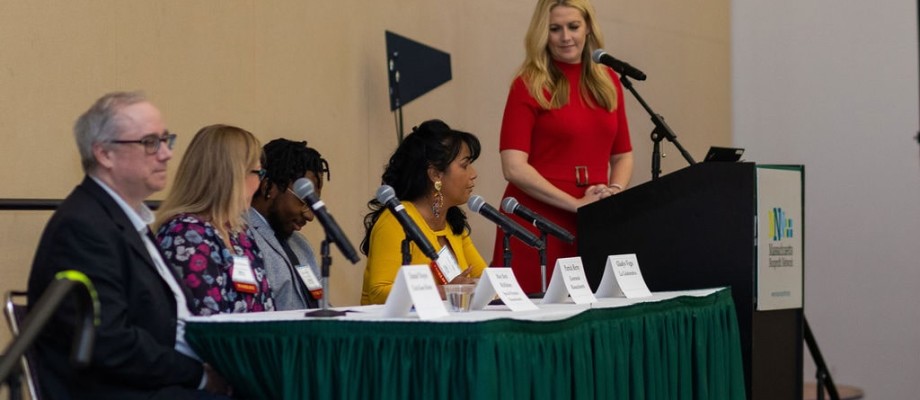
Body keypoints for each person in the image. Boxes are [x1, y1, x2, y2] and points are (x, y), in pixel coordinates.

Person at [27, 91, 230, 399]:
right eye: (150, 142)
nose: (166, 154)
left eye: (166, 140)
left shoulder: (125, 220)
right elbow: (109, 342)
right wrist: (199, 376)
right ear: (104, 154)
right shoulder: (82, 227)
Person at [493, 0, 634, 294]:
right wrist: (576, 205)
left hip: (594, 220)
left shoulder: (609, 81)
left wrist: (614, 193)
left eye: (573, 26)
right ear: (542, 33)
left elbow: (622, 155)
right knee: (536, 313)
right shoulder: (528, 84)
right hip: (536, 223)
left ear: (588, 28)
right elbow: (513, 167)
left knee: (594, 310)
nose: (565, 37)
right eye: (555, 29)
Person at [360, 119, 486, 305]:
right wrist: (447, 291)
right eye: (465, 165)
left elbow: (483, 279)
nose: (473, 173)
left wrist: (479, 286)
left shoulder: (452, 224)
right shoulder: (397, 220)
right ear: (435, 174)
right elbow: (379, 292)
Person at [154, 124, 274, 316]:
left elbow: (266, 308)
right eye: (258, 173)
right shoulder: (185, 234)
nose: (259, 183)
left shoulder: (240, 233)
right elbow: (206, 319)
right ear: (232, 176)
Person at [248, 138, 330, 310]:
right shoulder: (242, 238)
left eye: (313, 204)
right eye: (304, 201)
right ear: (268, 187)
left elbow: (322, 304)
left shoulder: (301, 245)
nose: (310, 216)